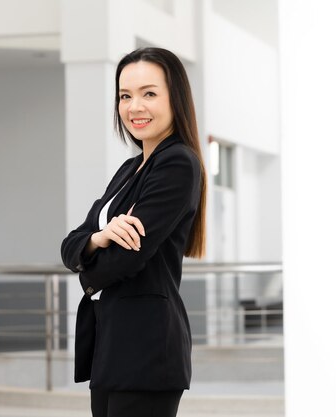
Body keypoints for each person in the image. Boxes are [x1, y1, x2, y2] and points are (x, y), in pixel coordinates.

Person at [60, 47, 207, 417]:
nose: (134, 107)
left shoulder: (177, 163)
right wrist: (98, 237)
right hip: (111, 347)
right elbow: (70, 244)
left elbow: (125, 260)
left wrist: (88, 264)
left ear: (175, 98)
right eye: (125, 96)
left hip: (147, 349)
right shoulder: (131, 169)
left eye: (149, 93)